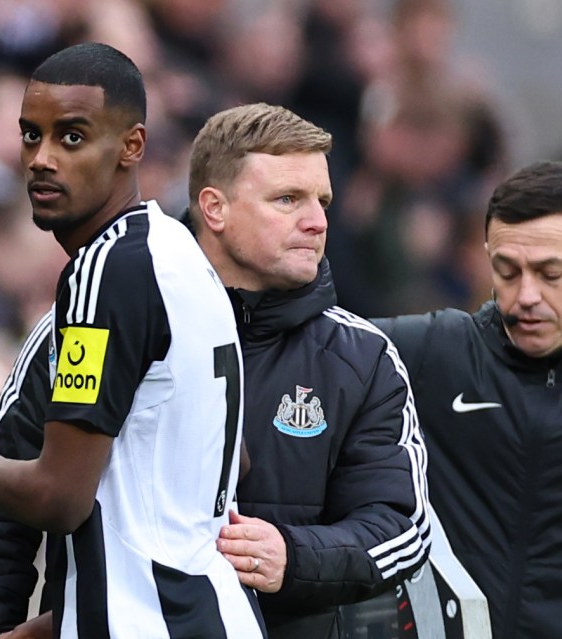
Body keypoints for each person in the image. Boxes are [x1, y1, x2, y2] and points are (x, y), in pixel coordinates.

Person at [0, 42, 266, 639]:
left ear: (132, 146)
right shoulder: (177, 251)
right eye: (31, 137)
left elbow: (60, 498)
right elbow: (223, 464)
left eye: (71, 137)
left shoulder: (105, 270)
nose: (42, 159)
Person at [371, 160, 562, 638]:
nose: (525, 295)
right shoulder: (425, 354)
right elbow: (301, 347)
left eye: (550, 274)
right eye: (507, 270)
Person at [192, 103, 430, 638]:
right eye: (287, 199)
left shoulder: (363, 358)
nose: (318, 220)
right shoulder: (116, 325)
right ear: (215, 208)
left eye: (322, 200)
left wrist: (292, 555)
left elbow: (401, 530)